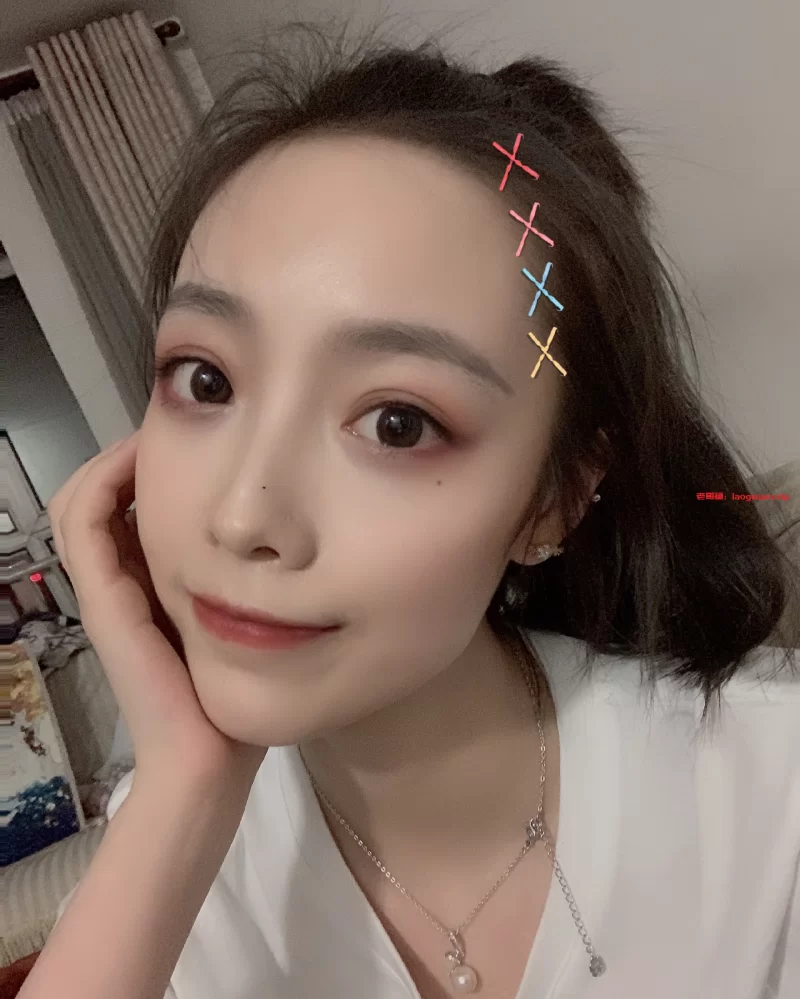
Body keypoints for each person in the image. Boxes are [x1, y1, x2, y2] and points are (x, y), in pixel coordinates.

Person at [22, 18, 800, 999]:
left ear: (553, 498)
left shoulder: (770, 796)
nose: (241, 518)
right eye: (205, 380)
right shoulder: (160, 866)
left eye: (397, 423)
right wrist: (180, 795)